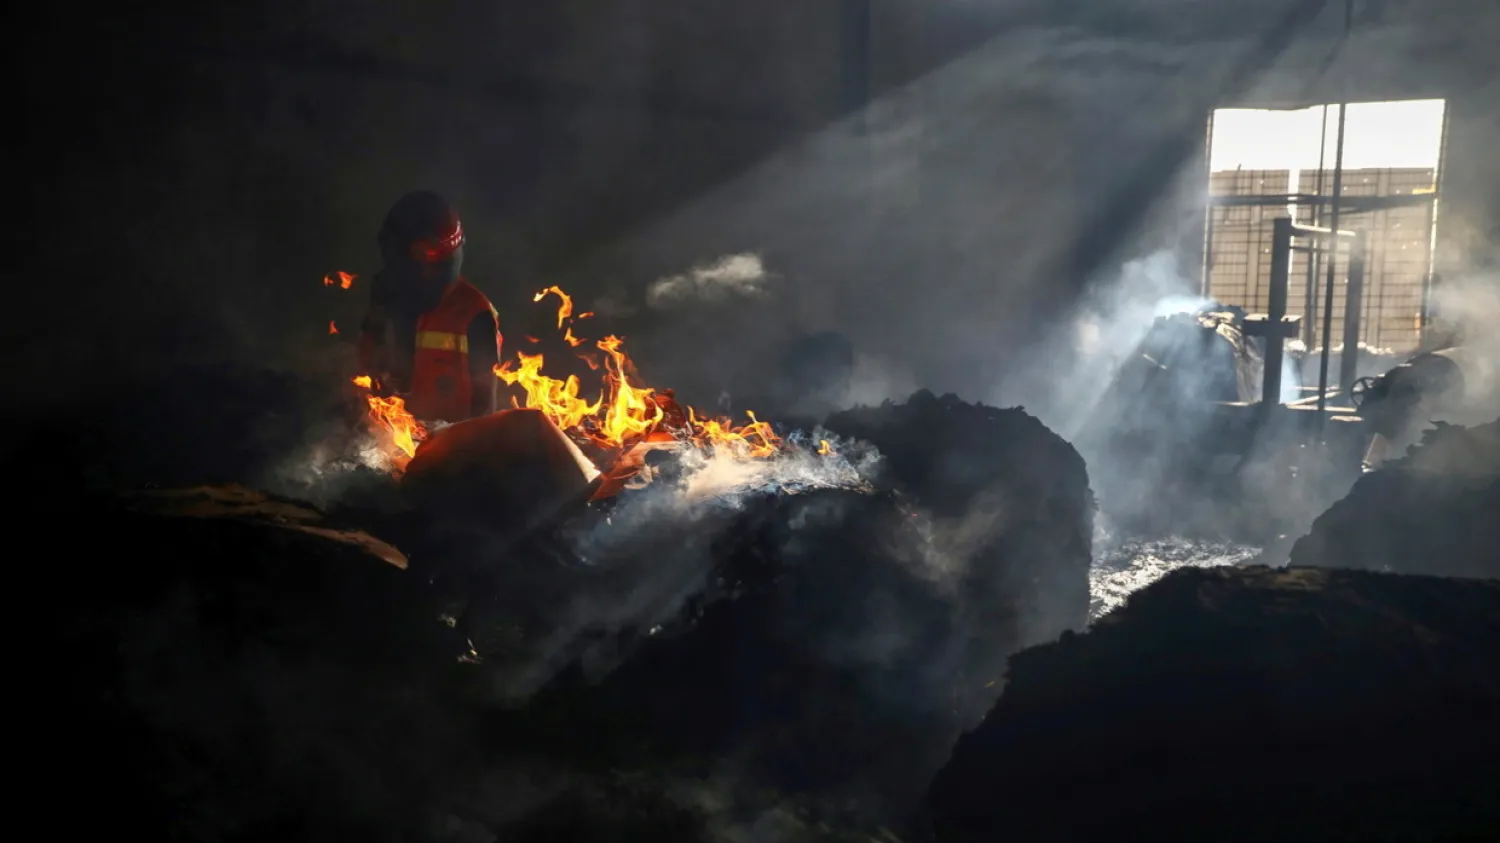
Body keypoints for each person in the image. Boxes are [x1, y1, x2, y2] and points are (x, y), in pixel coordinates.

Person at [357, 191, 502, 422]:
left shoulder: (474, 313)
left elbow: (485, 408)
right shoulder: (385, 296)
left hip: (453, 442)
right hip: (387, 437)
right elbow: (364, 365)